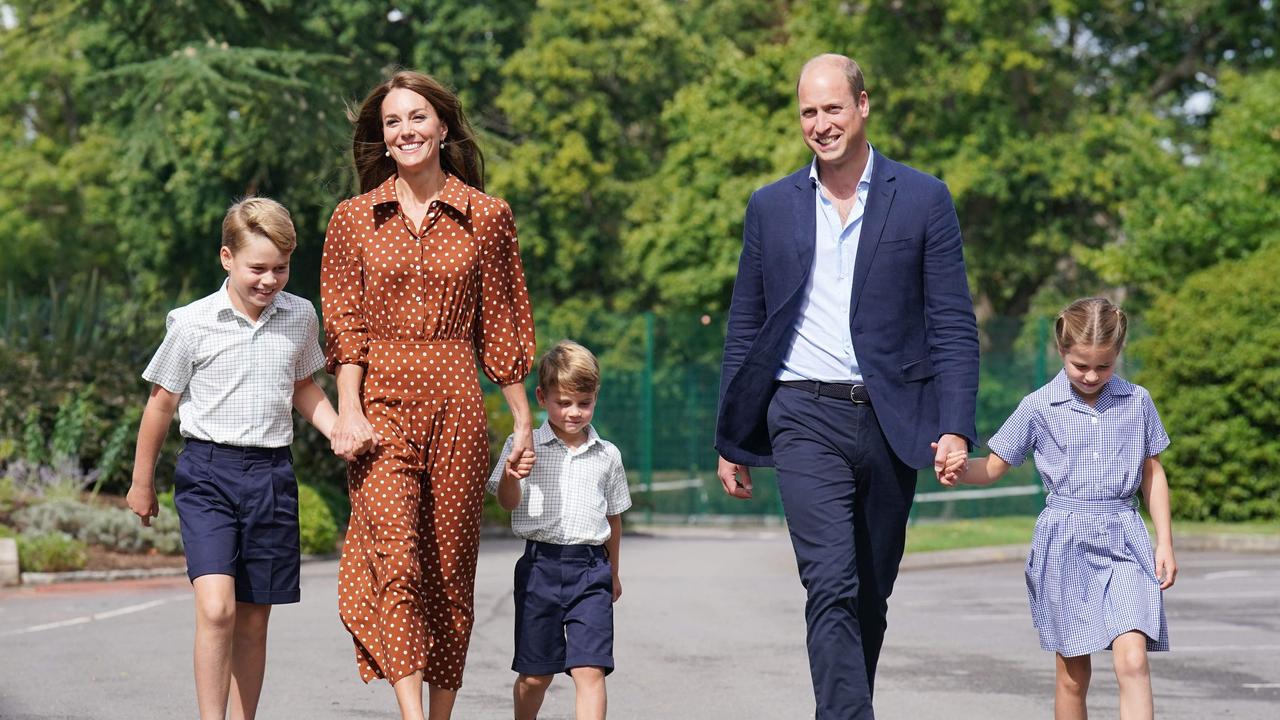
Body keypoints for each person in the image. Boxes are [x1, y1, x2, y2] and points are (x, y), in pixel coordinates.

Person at [714, 53, 980, 718]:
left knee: (868, 593)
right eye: (808, 111)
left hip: (894, 421)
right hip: (801, 412)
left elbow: (951, 322)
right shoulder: (771, 206)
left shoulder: (923, 198)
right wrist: (731, 436)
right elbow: (745, 326)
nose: (820, 123)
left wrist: (955, 424)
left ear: (863, 107)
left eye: (833, 108)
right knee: (829, 582)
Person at [321, 70, 537, 720]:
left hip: (457, 409)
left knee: (449, 572)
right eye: (393, 122)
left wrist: (523, 421)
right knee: (399, 559)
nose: (405, 130)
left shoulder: (488, 216)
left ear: (442, 127)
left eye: (417, 117)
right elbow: (345, 325)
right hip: (380, 409)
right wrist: (350, 411)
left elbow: (501, 323)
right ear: (381, 138)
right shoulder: (354, 219)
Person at [126, 197, 338, 720]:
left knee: (253, 618)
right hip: (207, 475)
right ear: (227, 258)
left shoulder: (299, 315)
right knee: (217, 608)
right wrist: (141, 482)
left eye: (281, 268)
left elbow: (303, 385)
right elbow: (161, 404)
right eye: (257, 269)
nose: (270, 281)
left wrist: (338, 428)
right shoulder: (193, 322)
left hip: (271, 476)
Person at [936, 297, 1176, 720]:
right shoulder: (1038, 406)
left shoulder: (1137, 401)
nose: (1091, 375)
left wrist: (1165, 543)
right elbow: (993, 467)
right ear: (1061, 351)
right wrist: (957, 469)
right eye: (1080, 365)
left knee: (1133, 660)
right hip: (1065, 543)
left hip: (1124, 538)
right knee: (1072, 675)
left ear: (1118, 354)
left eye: (1103, 366)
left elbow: (1153, 474)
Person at [487, 340, 631, 720]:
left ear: (595, 397)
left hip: (590, 571)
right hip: (540, 570)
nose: (574, 412)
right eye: (563, 402)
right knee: (536, 676)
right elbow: (506, 502)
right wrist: (511, 474)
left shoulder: (608, 455)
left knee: (590, 670)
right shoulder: (522, 445)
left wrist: (613, 573)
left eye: (584, 403)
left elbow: (613, 519)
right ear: (541, 397)